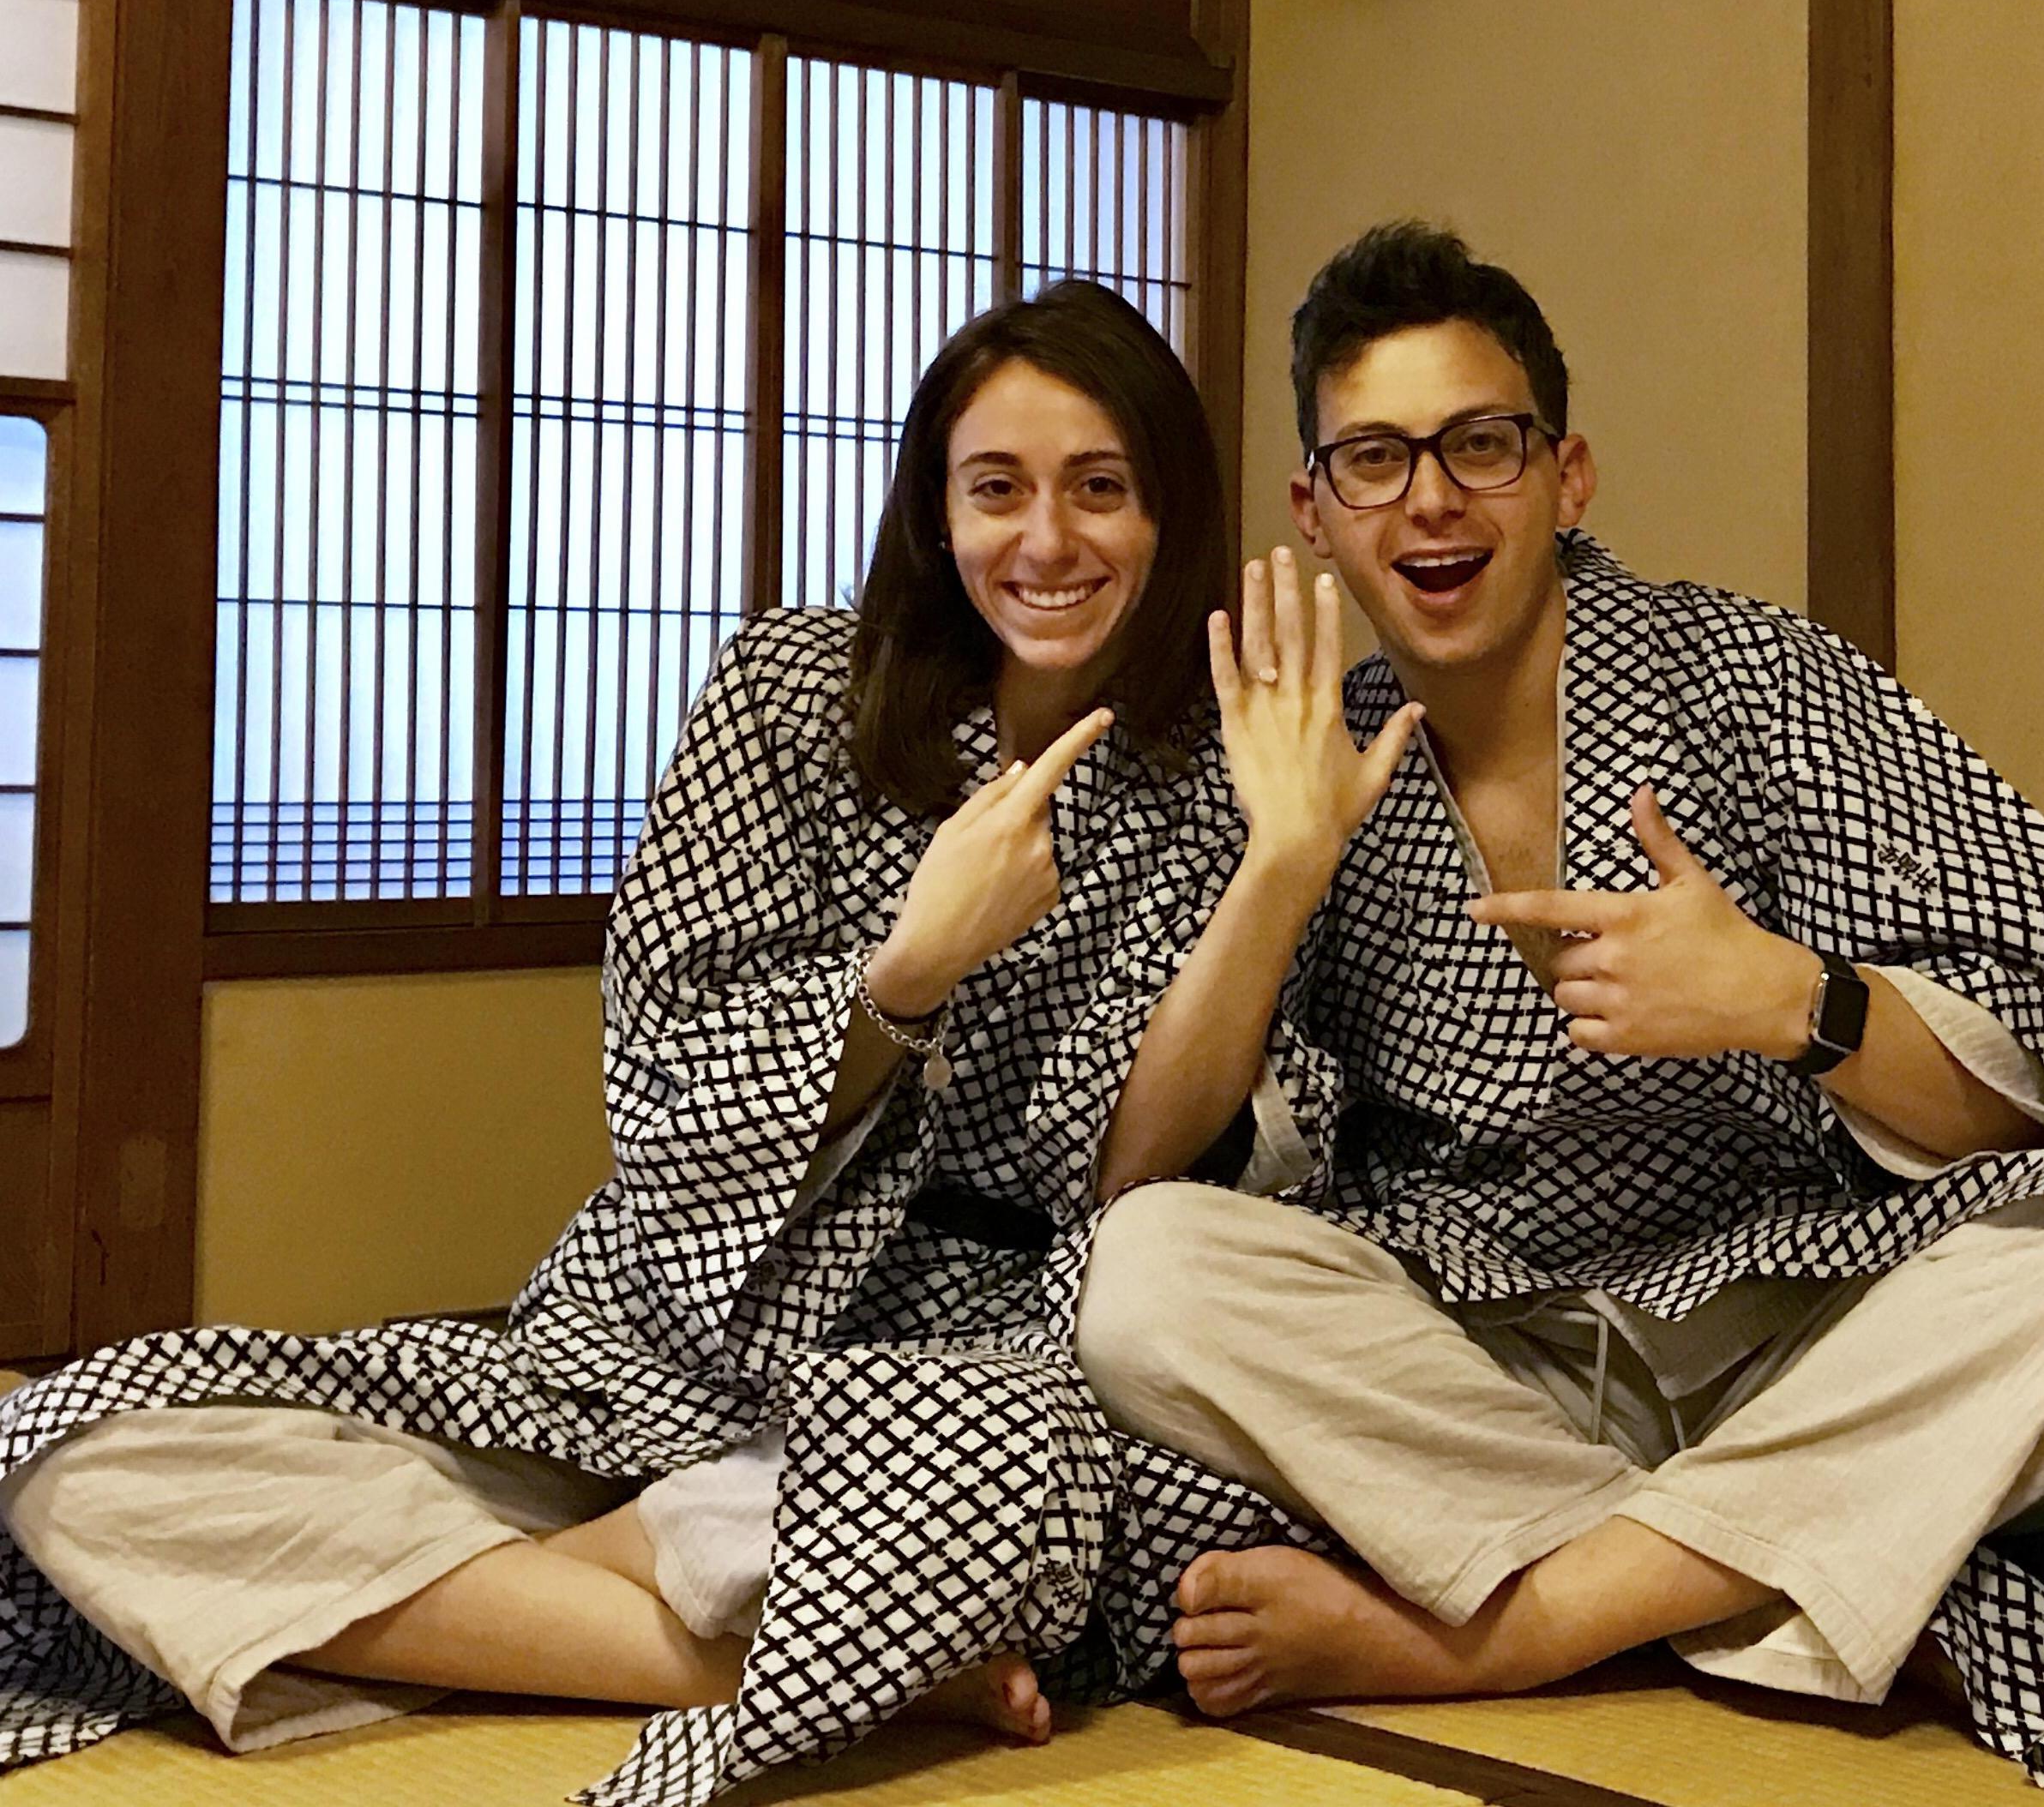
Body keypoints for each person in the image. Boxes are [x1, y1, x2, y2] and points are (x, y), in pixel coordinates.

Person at [0, 280, 1386, 1807]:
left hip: (972, 1367)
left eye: (1100, 489)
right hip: (668, 1336)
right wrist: (916, 961)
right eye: (996, 489)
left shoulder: (1223, 751)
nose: (1046, 543)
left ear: (1169, 510)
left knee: (1044, 1492)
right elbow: (665, 1086)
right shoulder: (793, 692)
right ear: (936, 512)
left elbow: (1138, 1169)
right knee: (85, 1450)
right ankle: (780, 1654)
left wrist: (1281, 868)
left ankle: (502, 1611)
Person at [1074, 222, 2044, 1806]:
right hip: (1477, 1354)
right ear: (1315, 512)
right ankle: (1742, 1571)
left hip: (1788, 1323)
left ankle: (1519, 1628)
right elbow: (1143, 1166)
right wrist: (1281, 866)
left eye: (1483, 444)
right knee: (1144, 1279)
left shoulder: (1753, 683)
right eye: (1375, 458)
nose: (1431, 497)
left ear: (1569, 476)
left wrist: (1792, 1001)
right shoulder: (1298, 747)